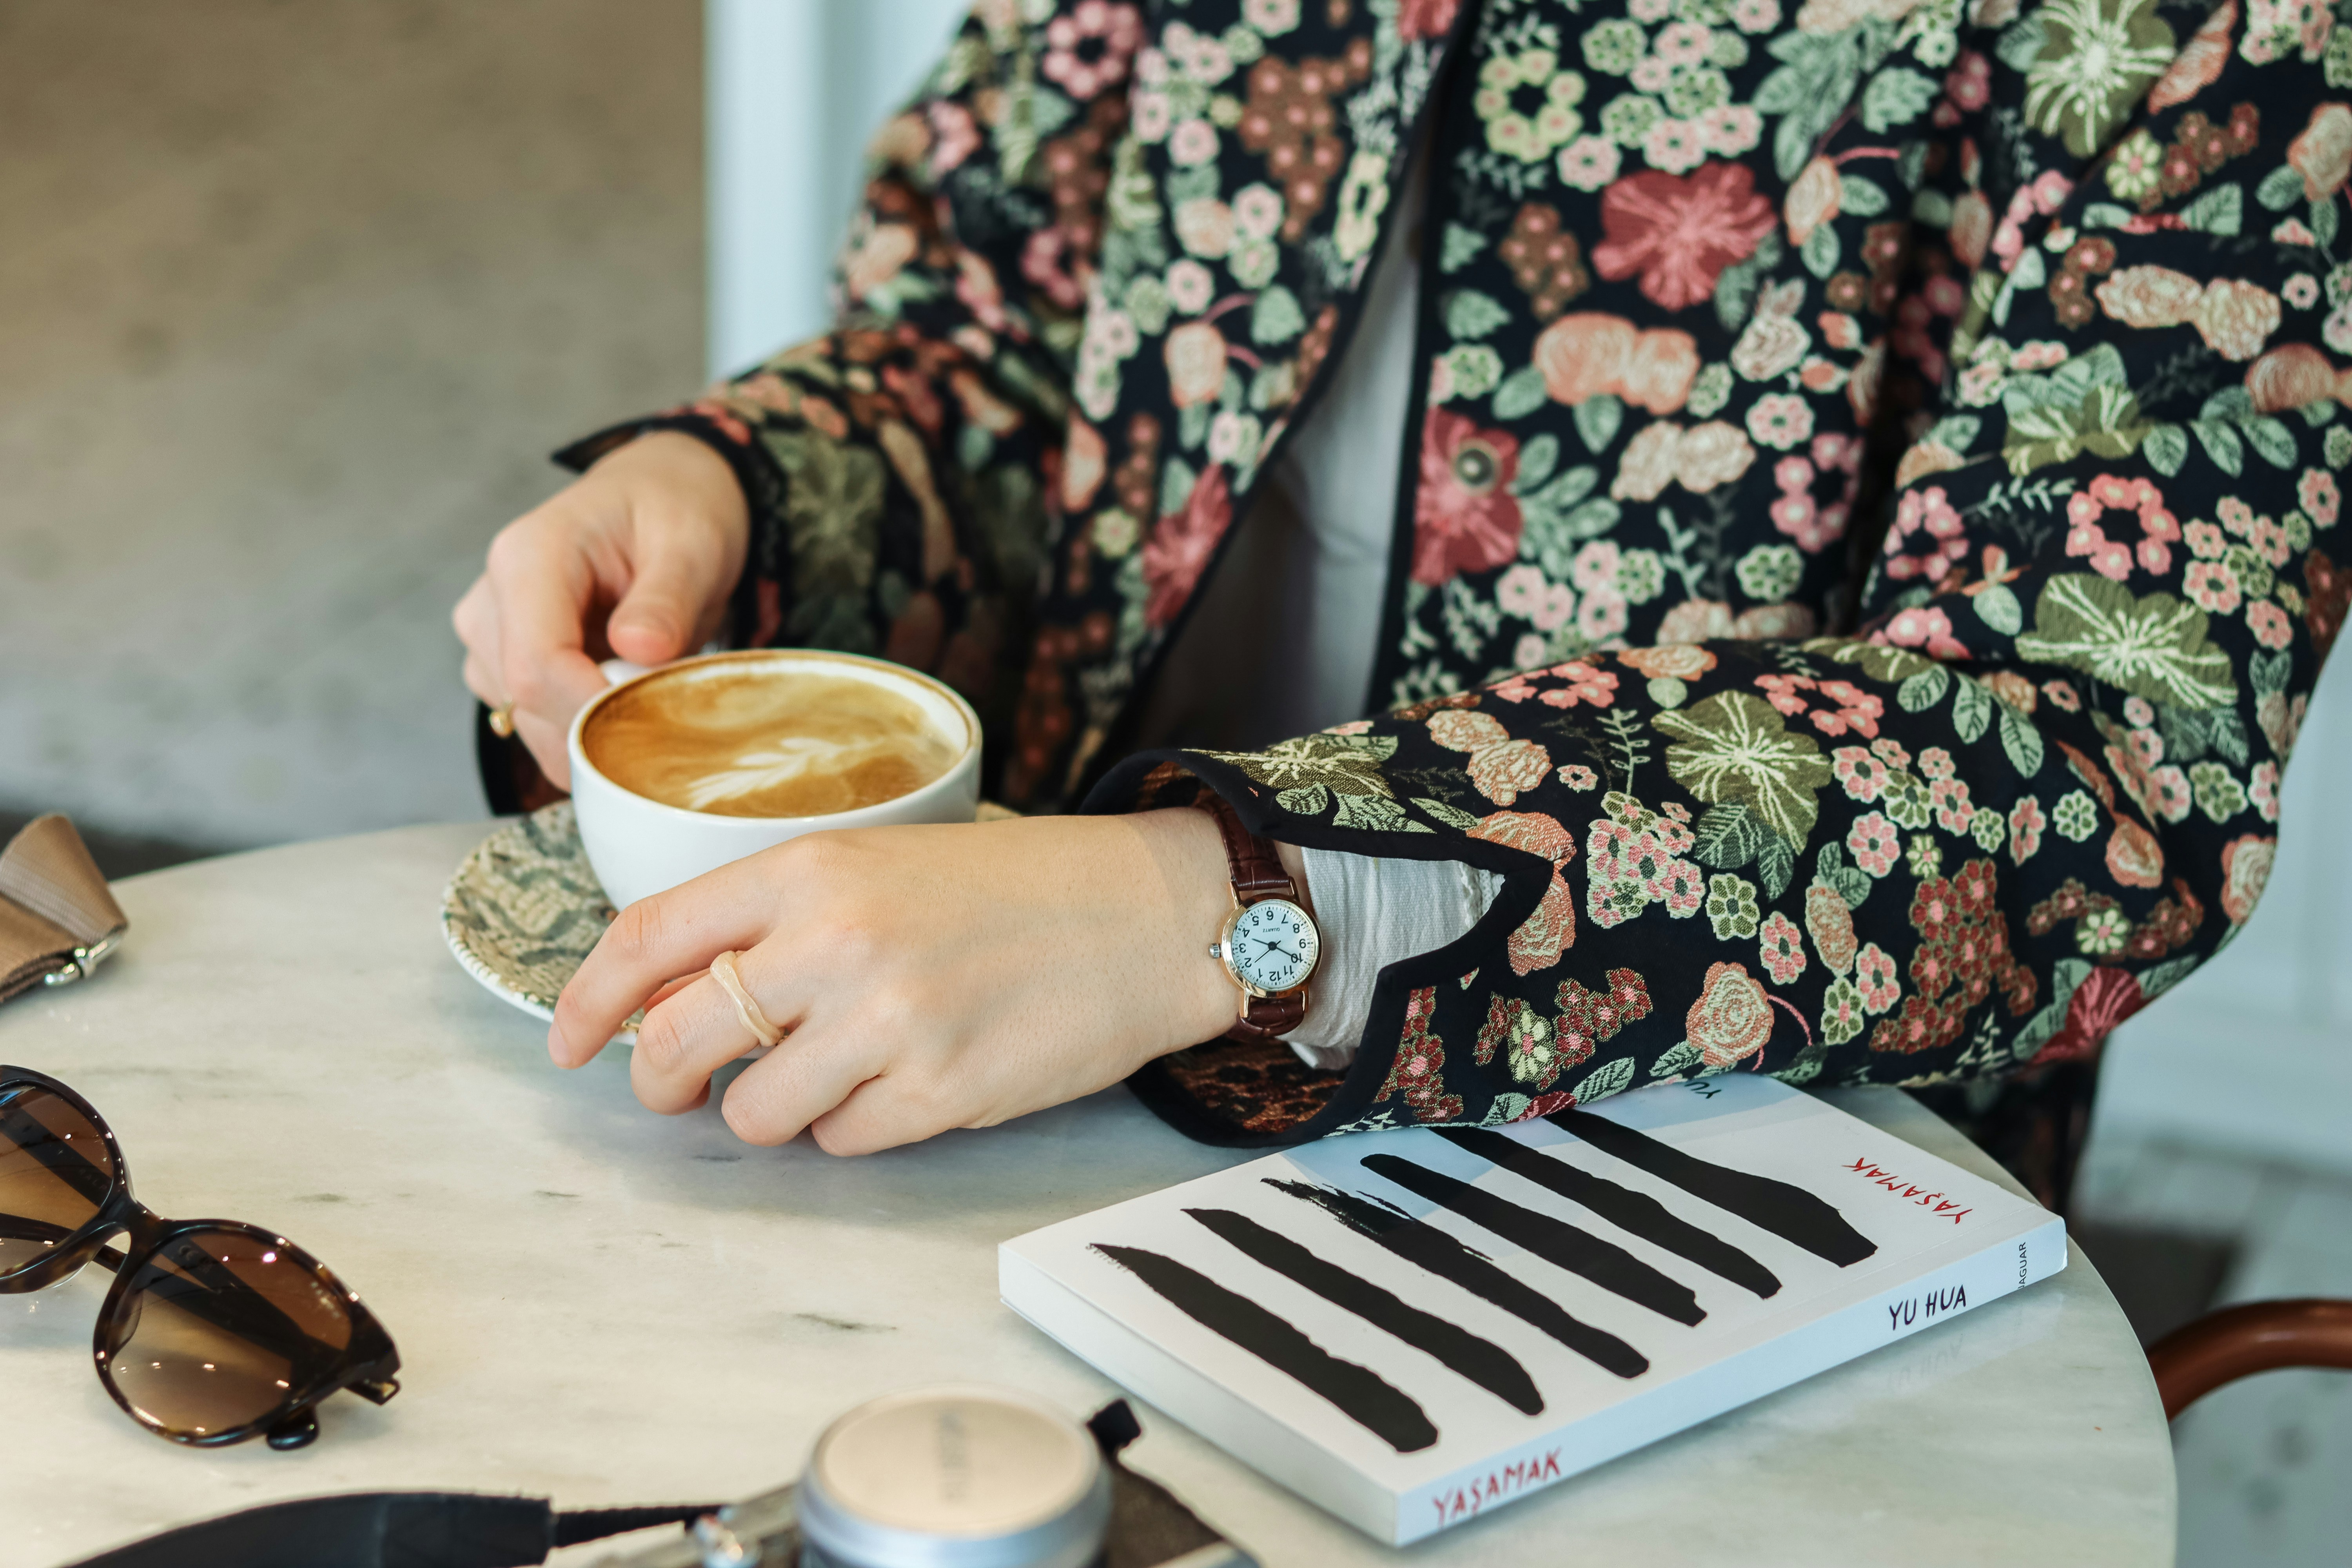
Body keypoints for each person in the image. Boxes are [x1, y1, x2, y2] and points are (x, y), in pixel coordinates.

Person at [456, 0, 2345, 1205]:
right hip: (994, 1088)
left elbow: (2096, 751)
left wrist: (1227, 907)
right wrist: (738, 490)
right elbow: (1009, 343)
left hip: (1709, 1209)